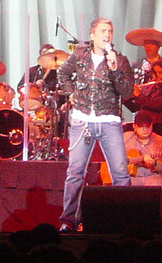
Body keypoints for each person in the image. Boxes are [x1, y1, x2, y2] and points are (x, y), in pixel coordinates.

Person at [56, 17, 134, 232]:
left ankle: (123, 220)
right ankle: (68, 220)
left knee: (120, 173)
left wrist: (115, 69)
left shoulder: (120, 59)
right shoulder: (80, 55)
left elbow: (126, 92)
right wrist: (71, 94)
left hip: (109, 121)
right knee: (75, 172)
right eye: (102, 31)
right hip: (82, 122)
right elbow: (62, 73)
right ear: (92, 35)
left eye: (109, 31)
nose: (106, 35)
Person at [122, 110, 162, 212]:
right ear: (134, 127)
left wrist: (155, 164)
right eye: (141, 126)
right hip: (130, 177)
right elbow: (113, 155)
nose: (145, 129)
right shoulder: (125, 138)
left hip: (152, 177)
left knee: (155, 186)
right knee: (120, 186)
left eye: (148, 126)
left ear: (152, 126)